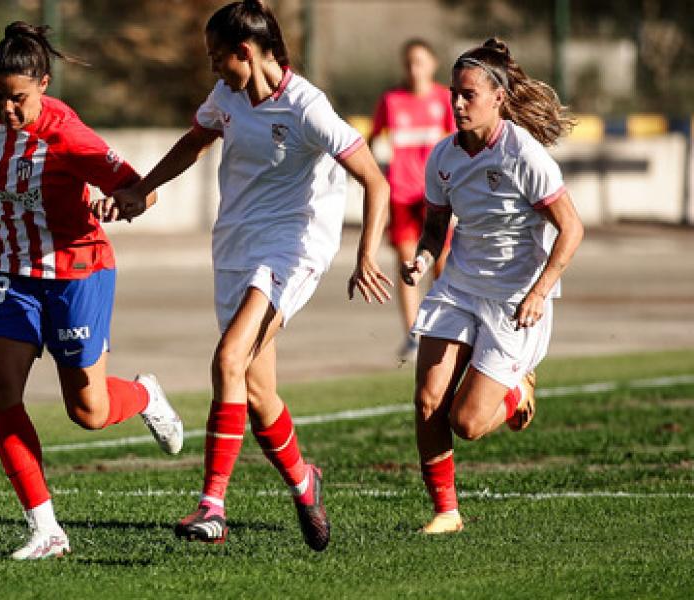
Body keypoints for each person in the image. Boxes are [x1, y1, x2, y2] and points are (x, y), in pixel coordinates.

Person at [102, 0, 392, 551]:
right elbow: (194, 141)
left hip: (294, 246)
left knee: (228, 359)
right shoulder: (228, 97)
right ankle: (305, 482)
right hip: (235, 244)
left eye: (217, 56)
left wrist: (367, 255)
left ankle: (213, 506)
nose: (211, 66)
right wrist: (142, 189)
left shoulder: (308, 107)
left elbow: (374, 181)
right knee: (257, 393)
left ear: (246, 51)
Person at [0, 21, 184, 560]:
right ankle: (46, 528)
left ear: (43, 84)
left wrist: (125, 201)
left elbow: (140, 190)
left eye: (17, 99)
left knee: (87, 410)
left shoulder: (70, 135)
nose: (5, 110)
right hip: (6, 274)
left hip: (77, 272)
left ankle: (146, 395)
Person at [400, 38, 583, 534]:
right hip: (458, 287)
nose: (457, 104)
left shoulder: (525, 156)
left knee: (469, 424)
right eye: (453, 94)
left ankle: (518, 389)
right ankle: (446, 512)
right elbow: (436, 229)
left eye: (468, 95)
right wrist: (421, 259)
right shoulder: (443, 156)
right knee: (427, 399)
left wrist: (540, 292)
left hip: (514, 300)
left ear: (498, 98)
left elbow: (572, 229)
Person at [368, 39, 457, 362]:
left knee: (442, 260)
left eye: (420, 61)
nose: (414, 68)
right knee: (408, 262)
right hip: (402, 194)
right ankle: (414, 333)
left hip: (435, 195)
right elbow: (371, 140)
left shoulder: (443, 100)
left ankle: (447, 325)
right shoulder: (391, 100)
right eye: (409, 62)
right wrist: (376, 175)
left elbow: (456, 141)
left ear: (432, 64)